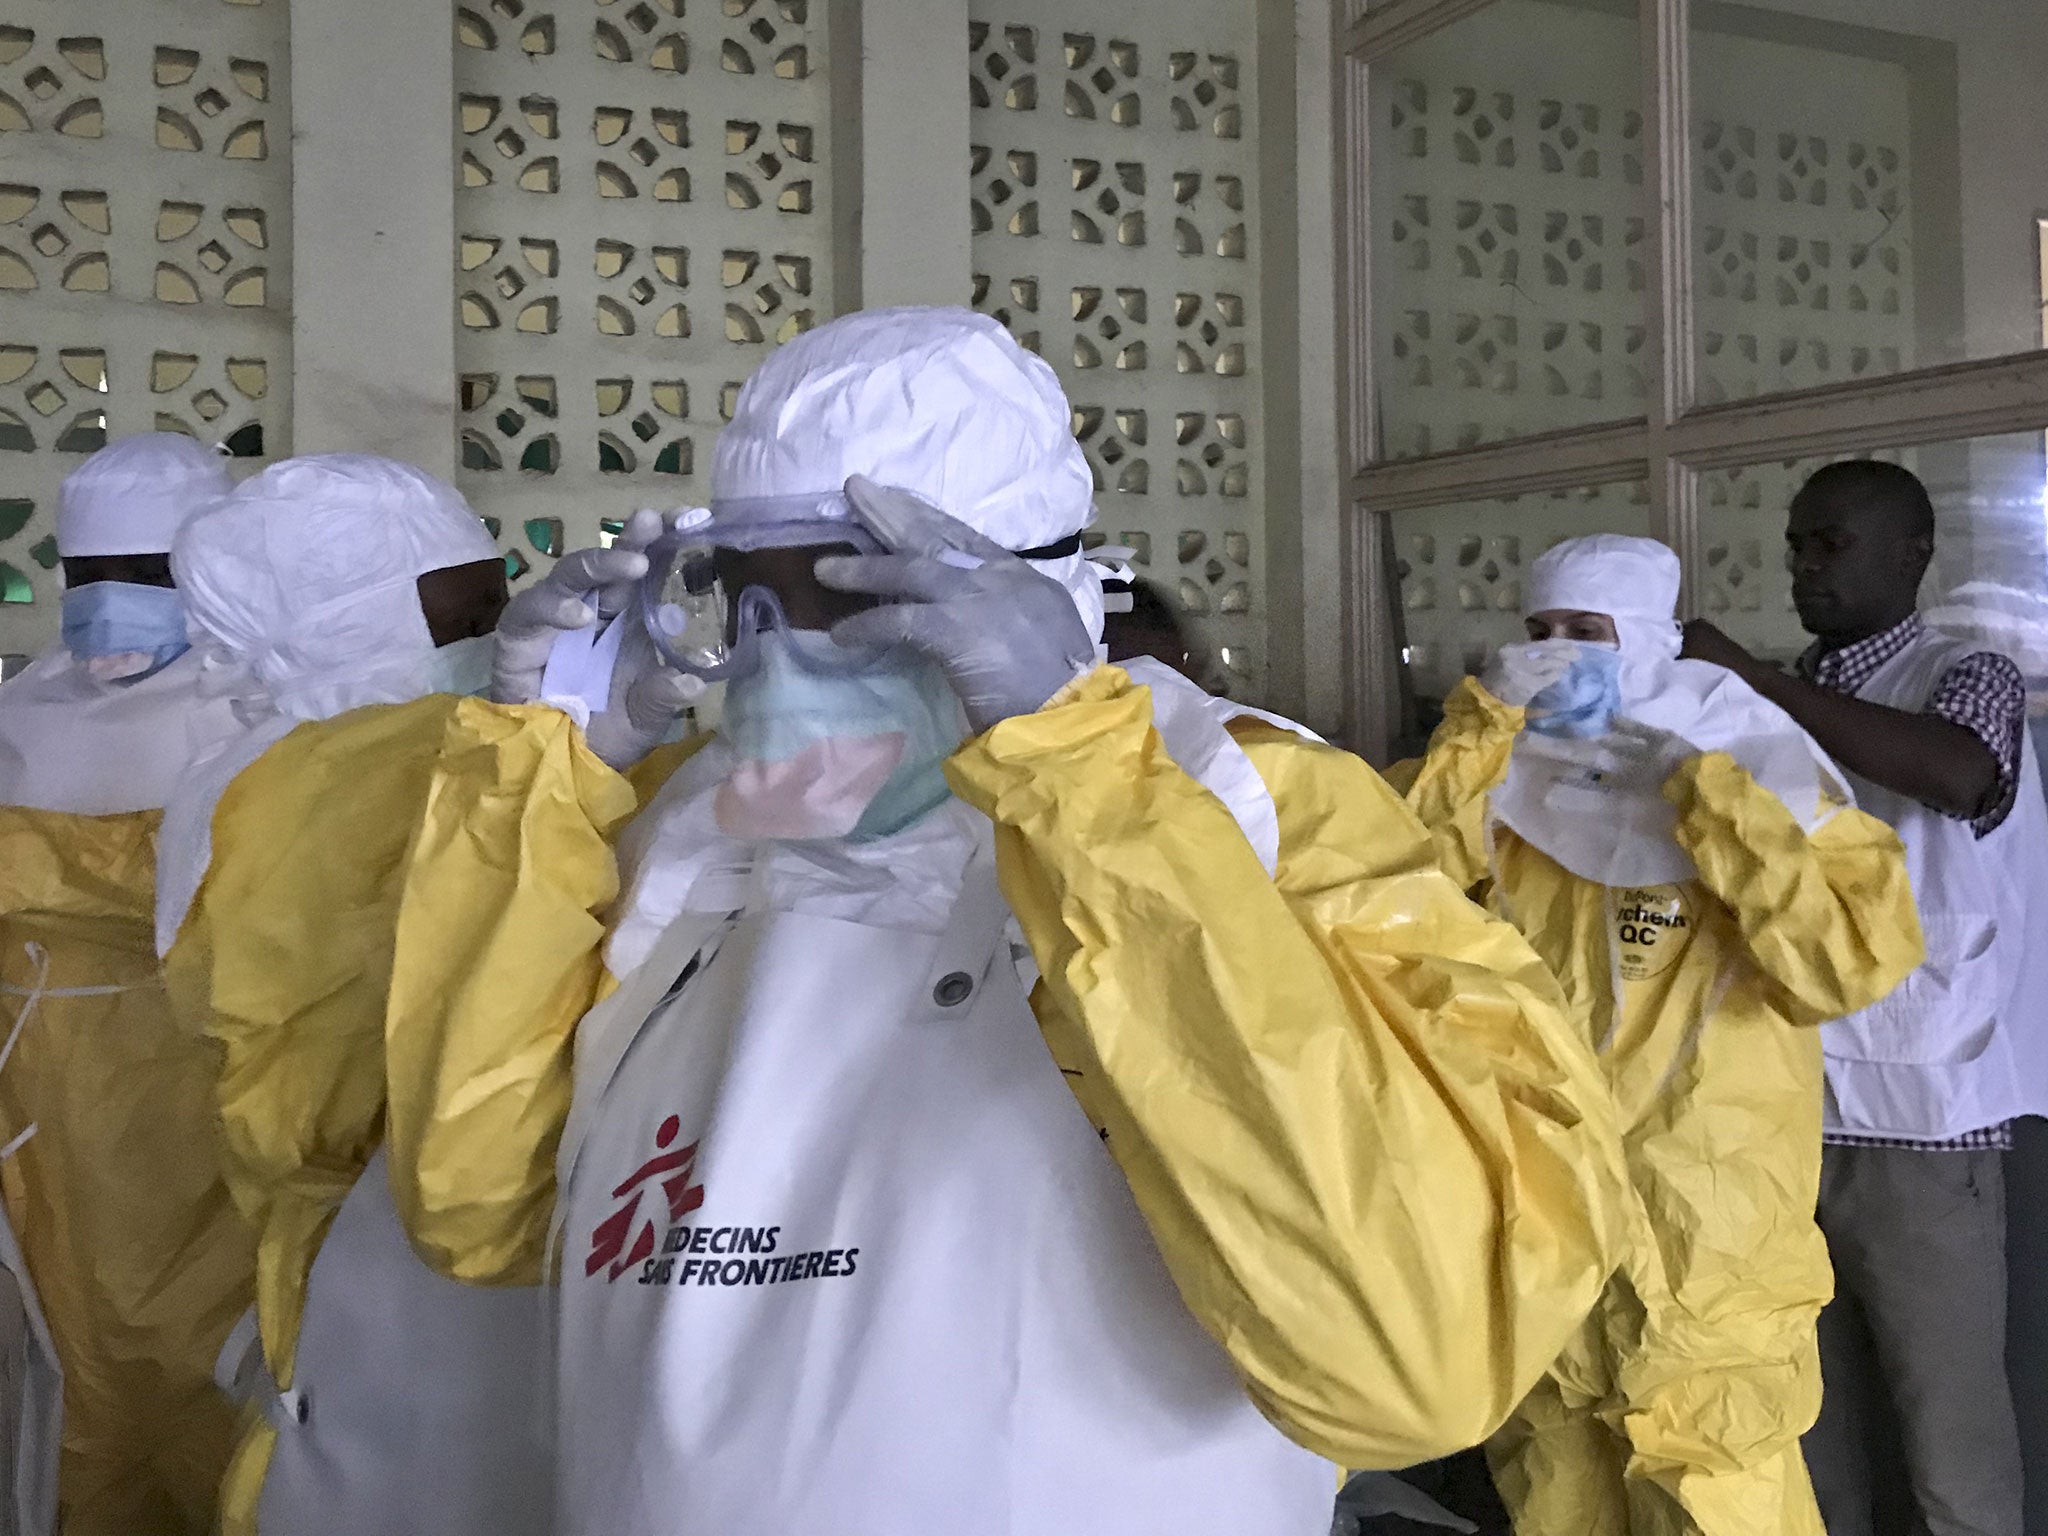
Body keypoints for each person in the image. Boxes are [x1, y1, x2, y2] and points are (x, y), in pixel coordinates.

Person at [181, 308, 1630, 1534]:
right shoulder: (686, 824)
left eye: (858, 604)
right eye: (749, 599)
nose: (779, 662)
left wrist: (1077, 784)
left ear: (1025, 585)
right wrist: (536, 778)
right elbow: (486, 1210)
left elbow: (1412, 1359)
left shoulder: (1244, 806)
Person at [1397, 533, 1923, 1536]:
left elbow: (1843, 963)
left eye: (1583, 634)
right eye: (1536, 633)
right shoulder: (1514, 788)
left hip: (1702, 1233)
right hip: (1547, 1214)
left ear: (1643, 641)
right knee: (1556, 1488)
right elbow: (1393, 897)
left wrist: (1707, 797)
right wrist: (1476, 733)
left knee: (1715, 1490)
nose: (1555, 654)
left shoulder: (1762, 770)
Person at [155, 453, 542, 1536]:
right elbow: (341, 1093)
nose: (495, 630)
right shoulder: (307, 789)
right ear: (348, 618)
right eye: (470, 611)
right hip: (392, 1251)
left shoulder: (268, 765)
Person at [1683, 459, 2048, 1536]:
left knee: (1948, 1434)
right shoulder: (1788, 689)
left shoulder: (1962, 671)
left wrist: (1749, 685)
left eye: (1827, 545)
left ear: (1909, 555)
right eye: (1795, 544)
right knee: (1807, 1418)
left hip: (1925, 1123)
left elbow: (1952, 772)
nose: (1803, 567)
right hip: (1785, 1110)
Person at [0, 433, 254, 1535]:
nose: (112, 606)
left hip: (197, 1104)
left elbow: (229, 893)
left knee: (201, 1370)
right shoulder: (21, 709)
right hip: (37, 1112)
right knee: (67, 1372)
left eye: (146, 579)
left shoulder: (262, 710)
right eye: (90, 579)